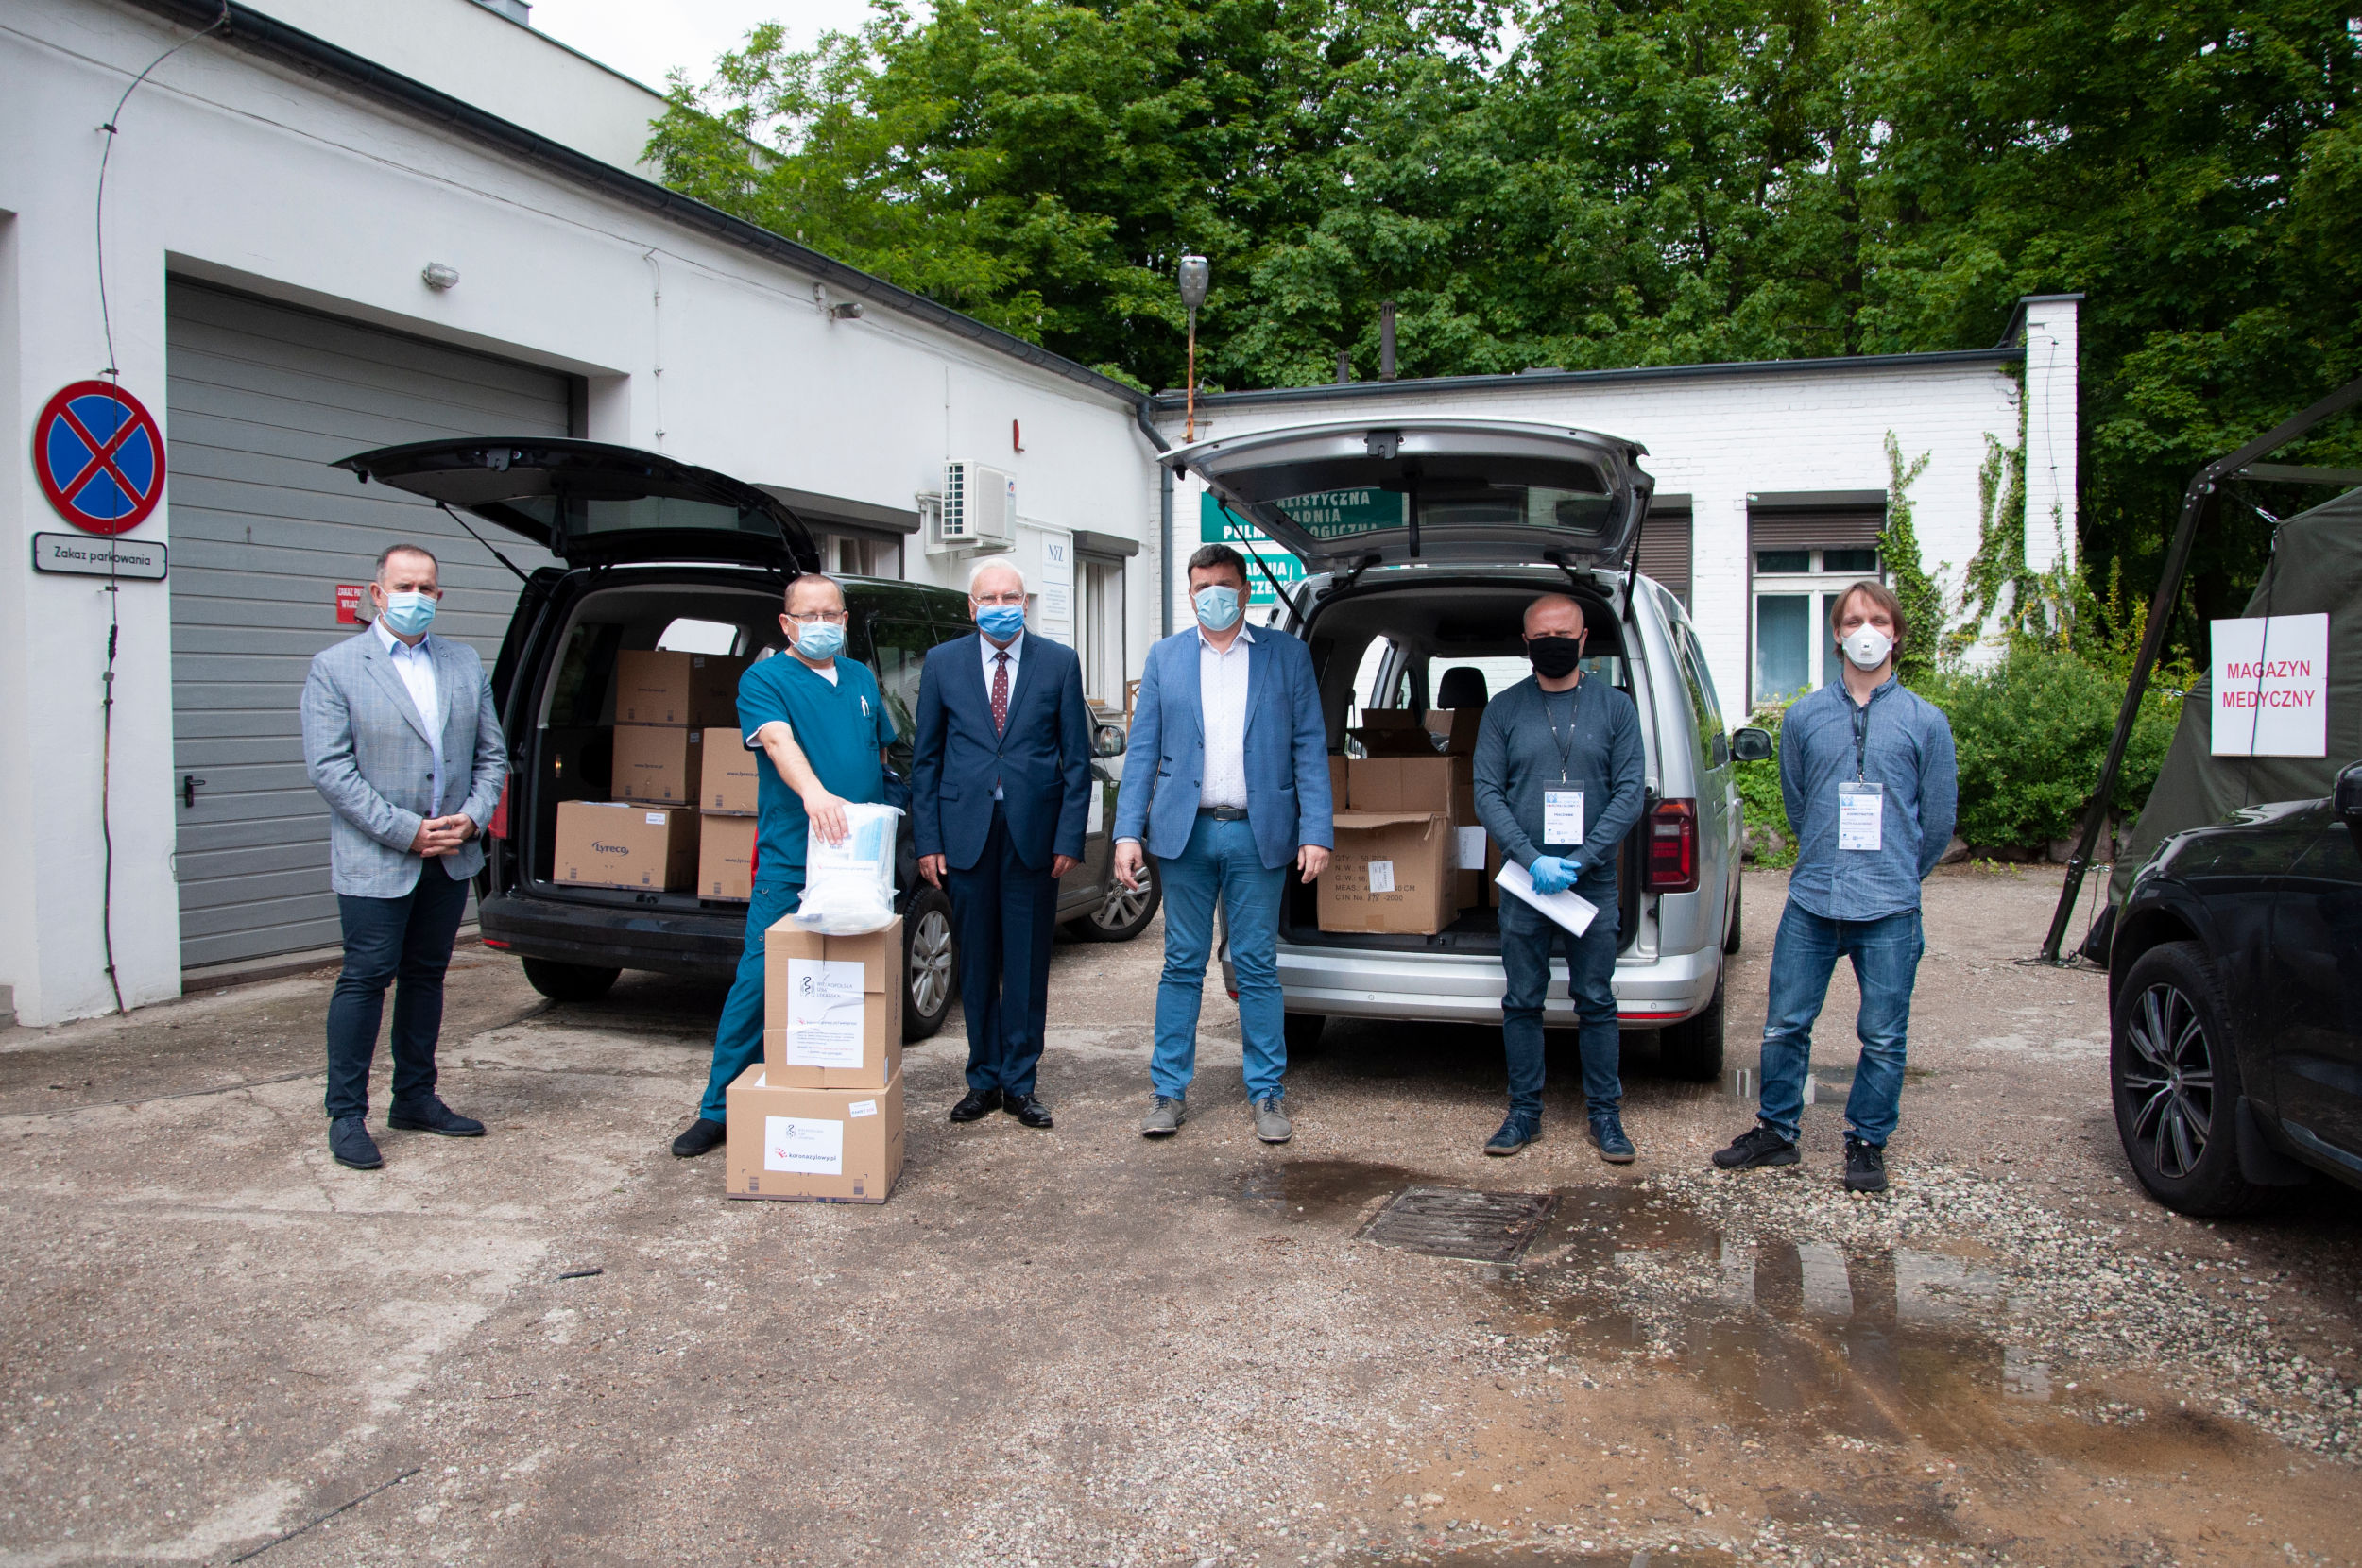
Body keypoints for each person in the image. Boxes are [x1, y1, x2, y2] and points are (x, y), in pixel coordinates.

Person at [1713, 579, 1957, 1193]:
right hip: (1814, 899)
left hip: (1890, 906)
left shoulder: (1926, 722)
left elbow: (1937, 820)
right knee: (1784, 1025)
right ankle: (1777, 1131)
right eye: (1853, 621)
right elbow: (1799, 805)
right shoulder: (1803, 717)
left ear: (1896, 634)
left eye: (1878, 620)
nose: (1865, 631)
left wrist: (1900, 872)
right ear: (1837, 635)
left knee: (1883, 1035)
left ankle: (1867, 1140)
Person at [670, 572, 899, 1158]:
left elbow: (879, 750)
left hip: (859, 863)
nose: (823, 625)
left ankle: (836, 1091)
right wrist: (816, 795)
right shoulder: (764, 679)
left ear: (845, 620)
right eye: (810, 615)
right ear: (787, 622)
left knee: (853, 982)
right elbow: (776, 742)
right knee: (760, 980)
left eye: (832, 615)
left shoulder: (859, 677)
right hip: (793, 858)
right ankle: (717, 1110)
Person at [1112, 544, 1333, 1145]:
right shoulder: (1166, 657)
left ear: (1245, 590)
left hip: (1259, 833)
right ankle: (1168, 1091)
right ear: (1190, 595)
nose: (1213, 595)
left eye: (1224, 585)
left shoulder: (1286, 656)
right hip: (1185, 833)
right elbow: (1143, 751)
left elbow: (1309, 746)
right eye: (1202, 586)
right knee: (1181, 963)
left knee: (1257, 965)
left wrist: (1316, 830)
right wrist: (1128, 831)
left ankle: (1267, 1091)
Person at [300, 542, 508, 1171]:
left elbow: (492, 756)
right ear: (377, 593)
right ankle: (346, 1115)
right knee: (365, 979)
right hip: (378, 856)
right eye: (404, 586)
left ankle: (415, 1097)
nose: (416, 598)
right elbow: (331, 770)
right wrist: (406, 831)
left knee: (426, 977)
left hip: (449, 854)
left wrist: (473, 818)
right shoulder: (336, 667)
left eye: (426, 588)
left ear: (439, 596)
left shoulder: (463, 663)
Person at [912, 559, 1093, 1129]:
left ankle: (1020, 1083)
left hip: (1032, 836)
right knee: (974, 962)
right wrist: (927, 840)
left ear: (1025, 602)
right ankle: (982, 1079)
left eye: (1010, 596)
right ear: (971, 607)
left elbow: (1077, 761)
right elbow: (926, 761)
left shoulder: (1059, 662)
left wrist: (1069, 837)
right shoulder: (942, 663)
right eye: (988, 598)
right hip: (964, 833)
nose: (1000, 606)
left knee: (1027, 962)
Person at [1471, 593, 1647, 1162]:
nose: (1553, 644)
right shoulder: (1503, 710)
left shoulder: (1615, 708)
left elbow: (1629, 793)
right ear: (1525, 644)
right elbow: (1486, 794)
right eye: (1541, 637)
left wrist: (1584, 858)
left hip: (1590, 882)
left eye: (1563, 635)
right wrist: (1529, 858)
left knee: (1595, 999)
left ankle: (1606, 1116)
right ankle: (1523, 1113)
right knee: (1522, 999)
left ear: (1584, 639)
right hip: (1526, 882)